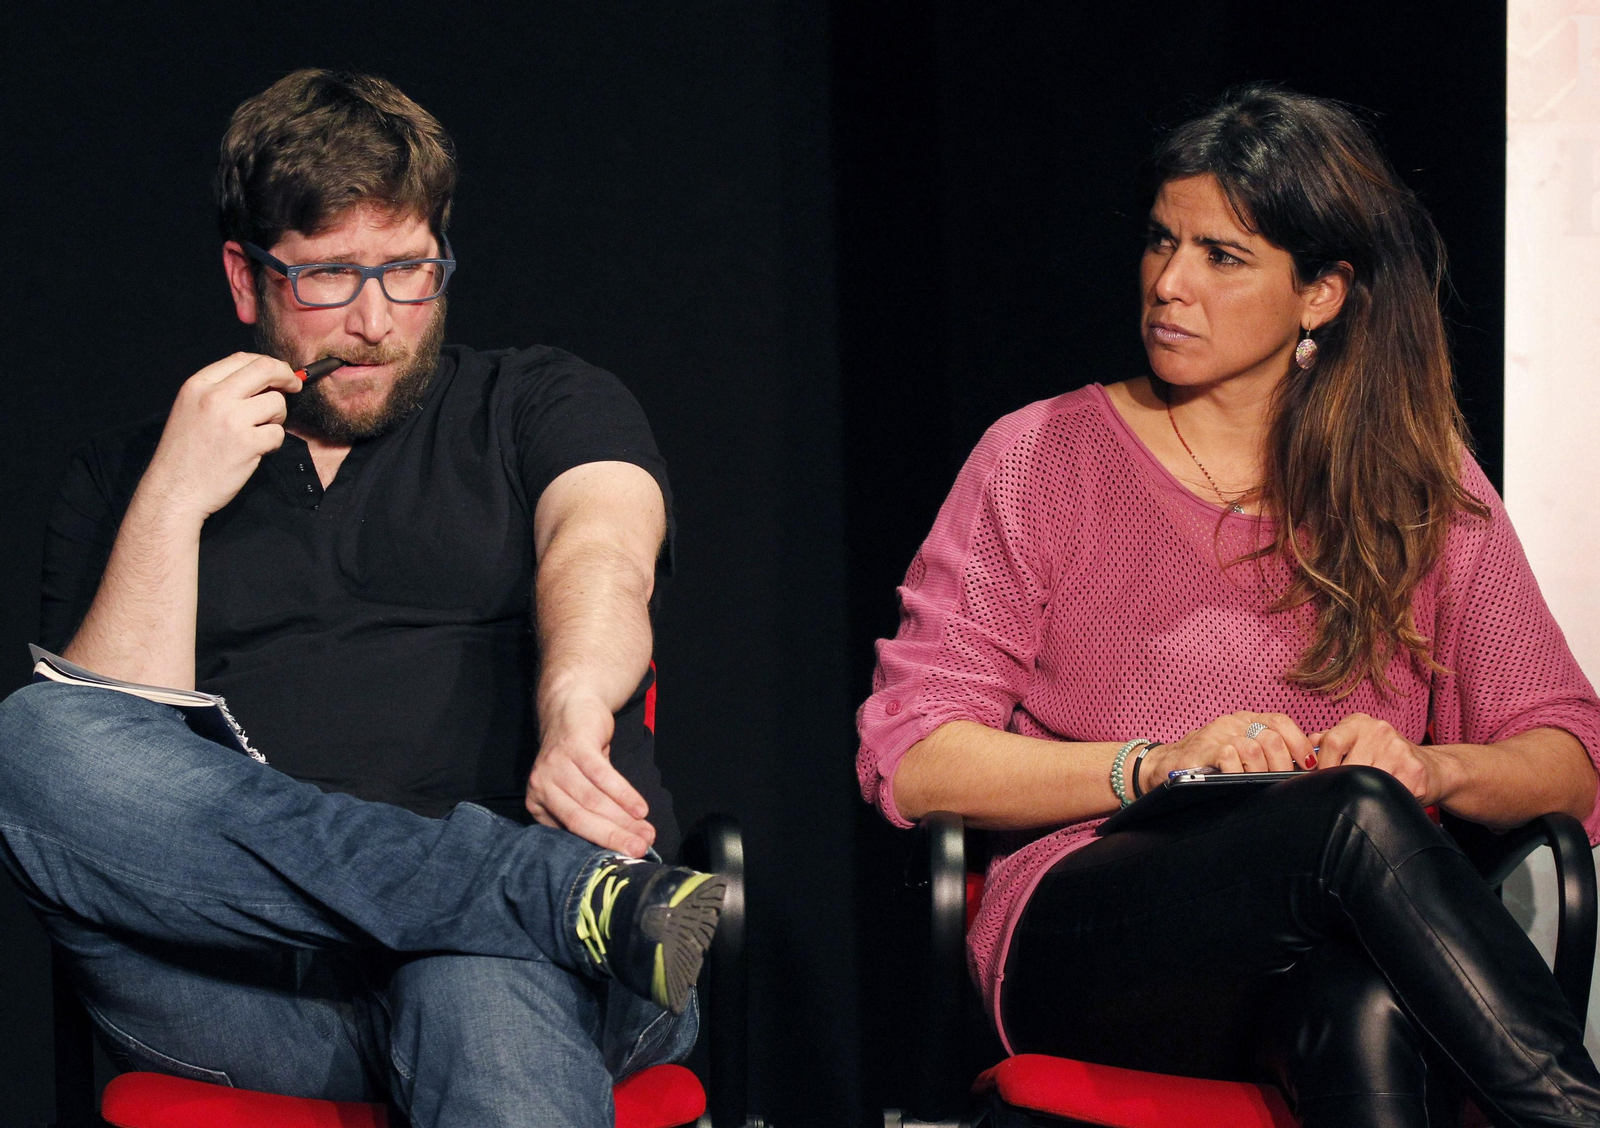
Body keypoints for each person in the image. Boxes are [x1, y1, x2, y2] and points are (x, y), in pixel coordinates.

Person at [857, 84, 1600, 1128]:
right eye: (1162, 241)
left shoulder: (1420, 486)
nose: (1169, 283)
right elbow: (914, 755)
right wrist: (1154, 765)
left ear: (1322, 294)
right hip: (1086, 937)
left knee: (1363, 1006)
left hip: (1324, 952)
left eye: (1222, 256)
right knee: (1348, 813)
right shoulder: (1041, 457)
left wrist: (1433, 769)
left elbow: (1568, 758)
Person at [0, 69, 725, 1128]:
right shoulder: (123, 477)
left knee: (475, 975)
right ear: (246, 279)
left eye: (410, 270)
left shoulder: (538, 401)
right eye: (331, 276)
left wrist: (576, 701)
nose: (377, 320)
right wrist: (173, 499)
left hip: (544, 970)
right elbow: (109, 758)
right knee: (33, 738)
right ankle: (525, 891)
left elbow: (603, 548)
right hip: (250, 991)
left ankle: (526, 904)